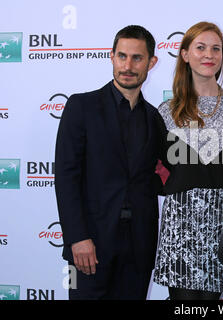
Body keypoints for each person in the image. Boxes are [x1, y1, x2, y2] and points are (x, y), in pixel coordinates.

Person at [55, 25, 161, 300]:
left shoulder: (154, 118)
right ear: (111, 57)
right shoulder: (81, 107)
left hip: (138, 247)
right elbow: (66, 177)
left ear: (151, 62)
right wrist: (77, 238)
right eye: (122, 56)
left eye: (137, 58)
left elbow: (158, 176)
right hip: (89, 247)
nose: (128, 65)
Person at [153, 21, 223, 300]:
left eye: (216, 48)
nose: (209, 54)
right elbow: (158, 170)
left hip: (222, 222)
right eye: (200, 47)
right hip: (179, 223)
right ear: (185, 54)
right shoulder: (165, 111)